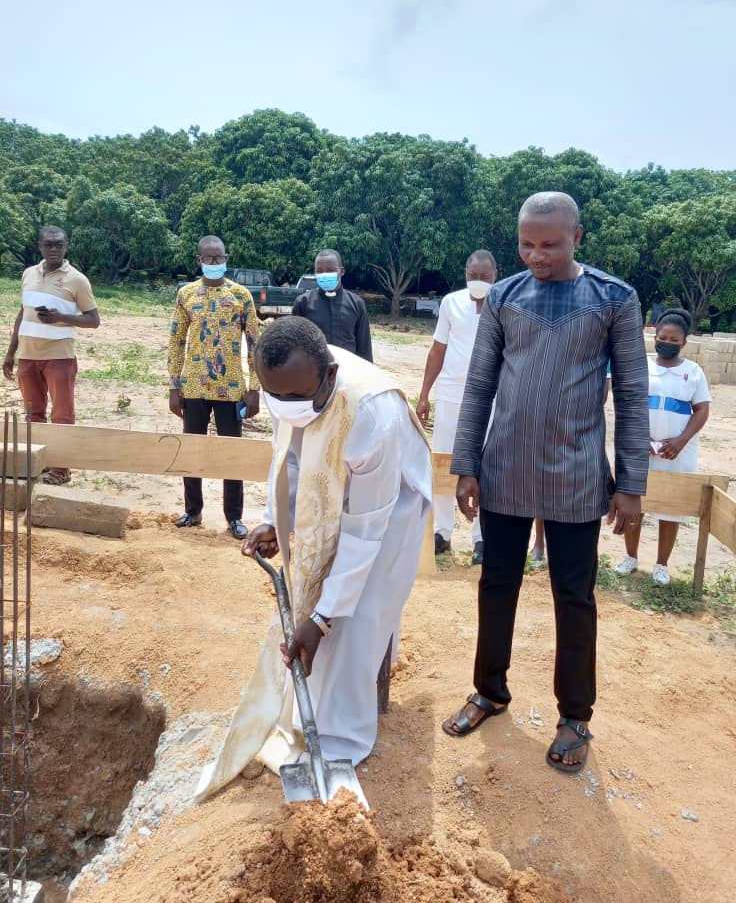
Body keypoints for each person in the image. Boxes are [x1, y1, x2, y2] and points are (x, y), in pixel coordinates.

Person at [442, 192, 649, 776]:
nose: (536, 255)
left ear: (577, 238)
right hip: (504, 468)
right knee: (496, 584)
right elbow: (479, 387)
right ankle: (489, 691)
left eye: (550, 244)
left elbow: (632, 394)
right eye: (526, 244)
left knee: (575, 598)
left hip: (577, 475)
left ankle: (574, 716)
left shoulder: (614, 299)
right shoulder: (504, 297)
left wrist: (630, 481)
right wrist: (466, 466)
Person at [195, 317, 431, 800]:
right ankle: (315, 715)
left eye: (299, 398)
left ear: (327, 374)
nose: (288, 407)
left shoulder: (370, 415)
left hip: (391, 507)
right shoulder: (290, 387)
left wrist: (322, 619)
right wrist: (271, 519)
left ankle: (342, 743)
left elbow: (365, 532)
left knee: (359, 618)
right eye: (276, 398)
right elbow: (292, 458)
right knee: (317, 601)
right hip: (333, 493)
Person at [167, 235, 260, 539]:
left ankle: (234, 517)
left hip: (230, 388)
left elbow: (255, 342)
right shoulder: (186, 294)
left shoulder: (242, 296)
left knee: (231, 454)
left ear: (226, 258)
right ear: (199, 261)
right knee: (192, 450)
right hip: (192, 386)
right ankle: (192, 511)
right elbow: (176, 341)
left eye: (219, 258)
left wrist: (254, 388)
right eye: (209, 259)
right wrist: (173, 385)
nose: (215, 263)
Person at [616, 308, 711, 585]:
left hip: (677, 452)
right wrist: (638, 438)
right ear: (654, 336)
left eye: (674, 339)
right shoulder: (640, 365)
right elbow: (627, 404)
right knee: (636, 503)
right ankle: (630, 557)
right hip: (640, 449)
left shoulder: (693, 372)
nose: (667, 342)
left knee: (671, 506)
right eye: (663, 337)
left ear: (684, 342)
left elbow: (702, 410)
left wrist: (681, 442)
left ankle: (662, 565)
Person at [416, 250, 498, 564]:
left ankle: (482, 537)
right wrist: (424, 393)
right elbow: (438, 349)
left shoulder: (504, 302)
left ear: (495, 274)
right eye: (473, 276)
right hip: (451, 394)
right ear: (466, 275)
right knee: (446, 461)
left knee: (485, 463)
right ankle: (442, 532)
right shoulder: (451, 302)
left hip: (491, 396)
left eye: (484, 276)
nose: (478, 281)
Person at [2, 226, 100, 485]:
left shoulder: (77, 279)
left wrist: (61, 318)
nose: (54, 249)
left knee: (62, 415)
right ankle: (38, 462)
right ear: (40, 246)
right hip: (28, 356)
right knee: (33, 413)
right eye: (49, 245)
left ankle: (61, 469)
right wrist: (11, 353)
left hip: (60, 357)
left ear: (66, 246)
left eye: (59, 244)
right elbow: (23, 314)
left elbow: (94, 320)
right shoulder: (28, 274)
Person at [529, 363, 611, 568]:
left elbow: (602, 395)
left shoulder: (600, 352)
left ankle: (571, 553)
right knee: (543, 486)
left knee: (569, 490)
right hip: (545, 425)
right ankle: (539, 542)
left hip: (577, 430)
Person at [292, 249, 373, 361]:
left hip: (347, 371)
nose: (324, 275)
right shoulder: (303, 303)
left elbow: (364, 347)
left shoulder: (357, 304)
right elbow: (296, 345)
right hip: (315, 372)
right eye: (319, 271)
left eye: (330, 270)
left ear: (341, 271)